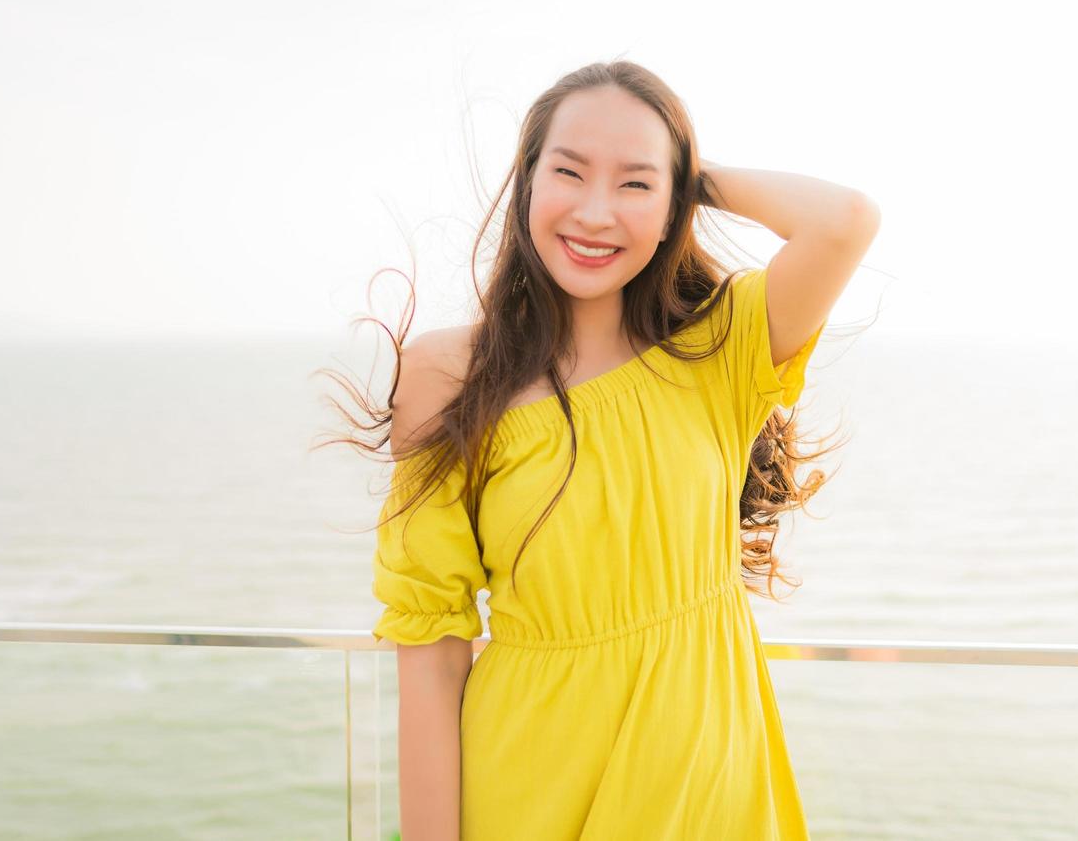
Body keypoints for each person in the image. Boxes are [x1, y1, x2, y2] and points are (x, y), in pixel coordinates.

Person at [369, 60, 881, 839]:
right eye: (569, 172)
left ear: (675, 205)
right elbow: (433, 654)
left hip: (706, 789)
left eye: (636, 185)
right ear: (527, 184)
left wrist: (690, 176)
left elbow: (844, 221)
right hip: (528, 787)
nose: (596, 212)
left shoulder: (724, 350)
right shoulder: (447, 374)